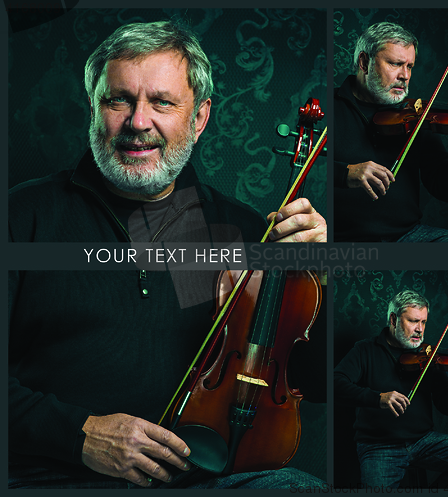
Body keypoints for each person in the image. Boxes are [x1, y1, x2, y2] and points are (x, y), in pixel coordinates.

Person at [8, 20, 327, 489]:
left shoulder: (246, 234)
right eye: (119, 99)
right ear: (94, 109)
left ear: (199, 118)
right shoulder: (22, 215)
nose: (138, 123)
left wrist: (318, 277)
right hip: (52, 476)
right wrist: (80, 435)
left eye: (162, 102)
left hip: (199, 480)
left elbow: (310, 383)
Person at [334, 22, 448, 242]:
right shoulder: (329, 107)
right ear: (364, 62)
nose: (405, 75)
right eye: (395, 64)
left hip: (407, 237)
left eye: (410, 66)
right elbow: (308, 167)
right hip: (339, 238)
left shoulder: (414, 116)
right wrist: (346, 173)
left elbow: (445, 189)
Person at [334, 290, 448, 489]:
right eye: (413, 321)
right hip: (379, 445)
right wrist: (378, 398)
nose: (420, 330)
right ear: (393, 319)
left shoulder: (427, 356)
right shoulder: (365, 350)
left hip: (423, 441)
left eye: (423, 322)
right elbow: (336, 383)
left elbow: (447, 407)